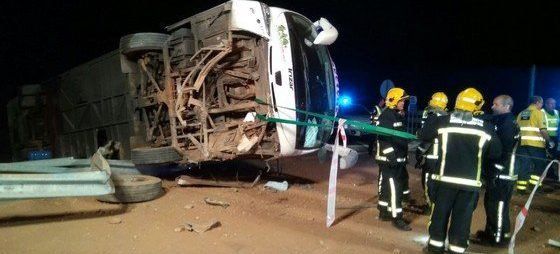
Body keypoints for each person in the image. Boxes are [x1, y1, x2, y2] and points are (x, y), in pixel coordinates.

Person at [419, 88, 502, 254]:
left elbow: (424, 134)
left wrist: (433, 115)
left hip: (443, 181)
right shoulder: (486, 128)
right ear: (476, 107)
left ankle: (435, 248)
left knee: (439, 217)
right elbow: (496, 153)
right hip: (469, 184)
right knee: (462, 220)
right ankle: (456, 249)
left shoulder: (443, 121)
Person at [476, 95, 519, 247]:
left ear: (506, 106)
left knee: (498, 205)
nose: (492, 106)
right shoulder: (502, 120)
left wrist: (495, 170)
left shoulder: (508, 124)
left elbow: (505, 151)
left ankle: (500, 237)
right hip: (497, 173)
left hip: (504, 173)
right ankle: (490, 232)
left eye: (496, 104)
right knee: (490, 203)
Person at [375, 87, 411, 231]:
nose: (403, 103)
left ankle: (384, 212)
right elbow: (384, 139)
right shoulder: (386, 116)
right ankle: (397, 217)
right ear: (393, 101)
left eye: (403, 101)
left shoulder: (396, 115)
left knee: (386, 186)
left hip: (396, 159)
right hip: (390, 161)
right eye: (401, 101)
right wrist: (392, 158)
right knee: (395, 188)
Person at [416, 92, 448, 213]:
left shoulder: (432, 116)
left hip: (431, 156)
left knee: (429, 182)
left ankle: (431, 206)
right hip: (443, 156)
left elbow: (426, 136)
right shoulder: (447, 117)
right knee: (438, 182)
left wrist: (419, 154)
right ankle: (437, 205)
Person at [515, 96, 552, 194]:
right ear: (537, 102)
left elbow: (517, 128)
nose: (542, 105)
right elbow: (543, 130)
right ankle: (534, 186)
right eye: (541, 103)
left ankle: (521, 189)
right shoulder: (539, 113)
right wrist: (549, 141)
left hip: (522, 144)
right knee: (540, 165)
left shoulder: (521, 113)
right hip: (536, 145)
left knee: (524, 166)